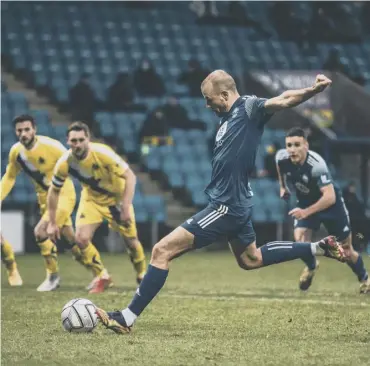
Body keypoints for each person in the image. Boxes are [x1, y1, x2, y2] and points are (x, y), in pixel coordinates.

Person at [95, 70, 345, 334]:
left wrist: (312, 91)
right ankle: (317, 247)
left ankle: (126, 317)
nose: (206, 104)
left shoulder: (249, 107)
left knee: (161, 251)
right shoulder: (228, 118)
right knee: (251, 259)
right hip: (236, 202)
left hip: (226, 206)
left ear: (225, 95)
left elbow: (283, 99)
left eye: (209, 98)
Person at [0, 115, 107, 292]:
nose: (23, 133)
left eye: (27, 129)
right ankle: (101, 274)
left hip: (63, 195)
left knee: (40, 232)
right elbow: (9, 177)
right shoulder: (16, 152)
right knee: (72, 241)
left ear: (34, 129)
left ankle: (53, 276)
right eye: (20, 130)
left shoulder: (52, 147)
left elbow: (73, 163)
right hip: (45, 199)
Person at [47, 122, 147, 293]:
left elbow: (130, 176)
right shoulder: (65, 162)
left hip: (116, 200)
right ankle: (102, 276)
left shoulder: (103, 153)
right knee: (81, 238)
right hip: (92, 200)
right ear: (67, 141)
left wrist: (125, 207)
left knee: (131, 241)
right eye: (73, 141)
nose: (77, 144)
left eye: (80, 140)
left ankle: (142, 275)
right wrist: (51, 222)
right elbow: (53, 191)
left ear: (88, 139)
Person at [275, 127, 369, 294]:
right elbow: (280, 168)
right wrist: (283, 187)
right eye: (289, 145)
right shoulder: (282, 157)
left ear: (306, 145)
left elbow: (330, 197)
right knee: (301, 242)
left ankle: (365, 279)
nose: (292, 149)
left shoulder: (316, 165)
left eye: (297, 144)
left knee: (345, 250)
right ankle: (311, 266)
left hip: (331, 206)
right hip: (305, 202)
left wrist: (305, 212)